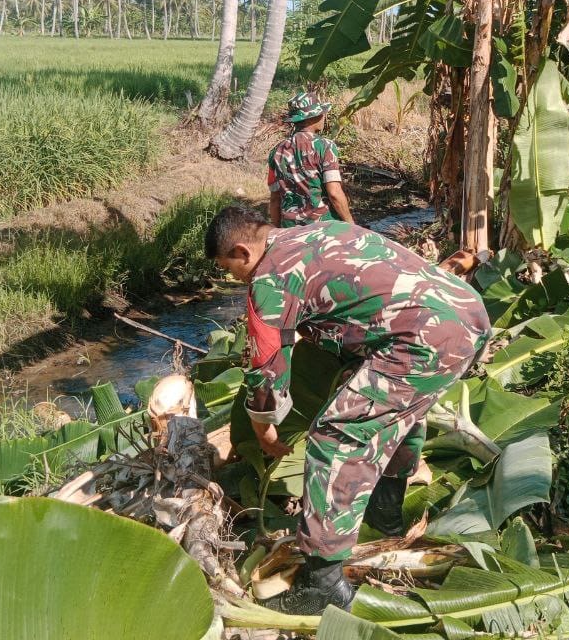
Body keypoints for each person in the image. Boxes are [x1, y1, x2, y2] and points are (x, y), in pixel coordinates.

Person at [206, 206, 492, 614]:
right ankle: (386, 513)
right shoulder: (324, 231)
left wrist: (264, 428)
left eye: (228, 268)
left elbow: (265, 366)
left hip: (425, 337)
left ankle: (323, 581)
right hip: (467, 312)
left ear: (242, 250)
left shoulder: (269, 277)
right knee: (397, 415)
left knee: (334, 438)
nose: (233, 278)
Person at [268, 92, 354, 227]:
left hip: (290, 228)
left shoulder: (276, 151)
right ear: (314, 117)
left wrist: (279, 232)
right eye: (322, 113)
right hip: (323, 228)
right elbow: (334, 192)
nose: (324, 117)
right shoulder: (325, 146)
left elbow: (275, 199)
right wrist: (351, 224)